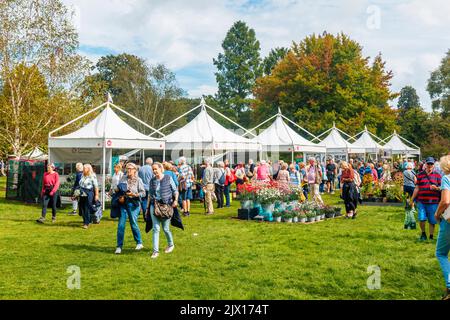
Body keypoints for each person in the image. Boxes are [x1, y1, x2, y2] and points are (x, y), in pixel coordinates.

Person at [148, 162, 179, 259]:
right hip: (155, 205)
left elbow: (175, 191)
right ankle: (155, 251)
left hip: (166, 206)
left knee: (166, 229)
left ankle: (171, 244)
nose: (154, 171)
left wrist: (176, 200)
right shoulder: (152, 180)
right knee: (156, 228)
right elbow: (150, 194)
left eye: (156, 169)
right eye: (153, 169)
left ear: (161, 169)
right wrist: (147, 208)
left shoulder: (168, 178)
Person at [114, 162, 146, 254]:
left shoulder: (138, 180)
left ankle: (139, 242)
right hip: (123, 204)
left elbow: (143, 193)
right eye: (127, 168)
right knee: (121, 225)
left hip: (134, 204)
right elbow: (118, 189)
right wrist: (118, 193)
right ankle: (119, 246)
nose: (129, 170)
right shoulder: (123, 178)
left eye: (131, 169)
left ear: (135, 170)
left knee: (133, 222)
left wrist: (134, 194)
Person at [411, 157, 442, 241]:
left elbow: (442, 188)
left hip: (433, 202)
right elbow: (417, 188)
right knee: (422, 218)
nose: (430, 165)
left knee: (432, 220)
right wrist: (412, 199)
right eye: (428, 163)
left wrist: (436, 188)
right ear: (425, 164)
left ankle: (431, 236)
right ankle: (423, 234)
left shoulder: (437, 175)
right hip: (421, 201)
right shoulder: (420, 175)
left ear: (434, 165)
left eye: (431, 164)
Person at [433, 155, 450, 300]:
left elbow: (445, 201)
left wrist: (437, 214)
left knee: (441, 253)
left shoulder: (446, 178)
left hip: (449, 220)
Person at [77, 164, 99, 229]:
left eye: (84, 168)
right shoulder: (82, 175)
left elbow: (96, 186)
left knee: (86, 207)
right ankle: (87, 220)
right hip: (82, 193)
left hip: (89, 192)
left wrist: (97, 195)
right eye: (83, 168)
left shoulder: (92, 175)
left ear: (88, 169)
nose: (83, 169)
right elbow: (80, 184)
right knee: (81, 208)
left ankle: (86, 223)